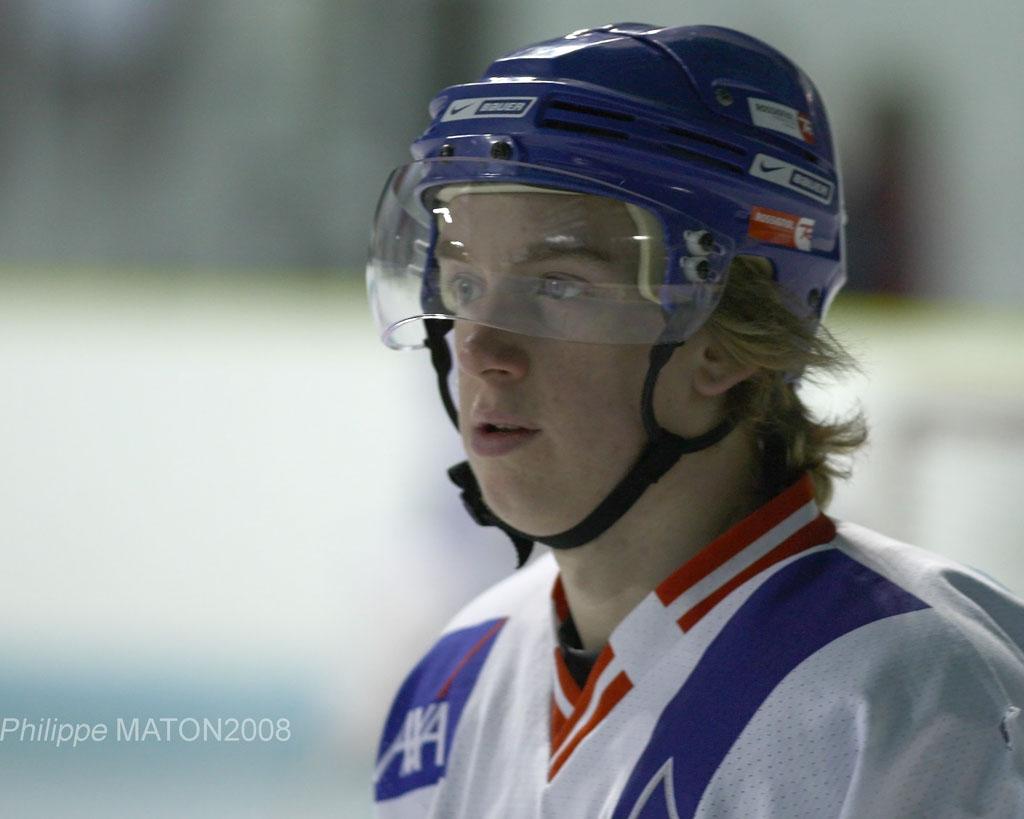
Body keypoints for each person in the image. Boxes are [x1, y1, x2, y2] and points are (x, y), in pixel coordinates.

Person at [365, 23, 1024, 817]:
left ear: (728, 337)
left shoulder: (916, 696)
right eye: (464, 286)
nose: (478, 348)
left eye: (559, 286)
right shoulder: (454, 682)